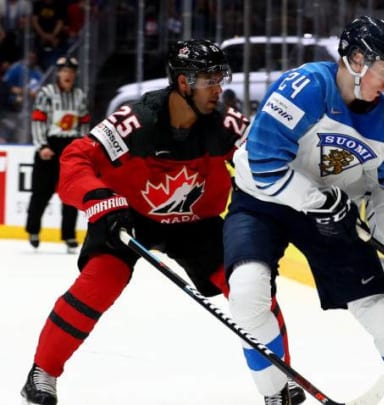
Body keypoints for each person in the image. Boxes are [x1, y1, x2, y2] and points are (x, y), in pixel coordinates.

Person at [20, 39, 305, 405]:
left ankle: (279, 378)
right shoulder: (136, 119)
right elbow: (77, 158)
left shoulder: (224, 124)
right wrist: (100, 200)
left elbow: (266, 155)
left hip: (196, 223)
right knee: (99, 283)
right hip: (129, 217)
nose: (219, 89)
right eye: (209, 80)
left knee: (251, 290)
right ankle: (41, 372)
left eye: (221, 77)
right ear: (183, 83)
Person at [223, 16, 384, 404]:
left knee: (381, 314)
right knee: (246, 295)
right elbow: (264, 163)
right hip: (263, 201)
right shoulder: (305, 87)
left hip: (329, 212)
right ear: (357, 60)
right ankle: (278, 396)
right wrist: (322, 202)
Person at [25, 56, 89, 252]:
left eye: (71, 71)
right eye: (64, 71)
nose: (67, 74)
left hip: (70, 146)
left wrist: (82, 148)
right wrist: (42, 145)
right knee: (41, 192)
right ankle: (33, 230)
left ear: (74, 74)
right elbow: (37, 121)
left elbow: (84, 124)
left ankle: (69, 235)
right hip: (49, 145)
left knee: (70, 193)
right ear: (58, 74)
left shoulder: (80, 96)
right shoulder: (46, 93)